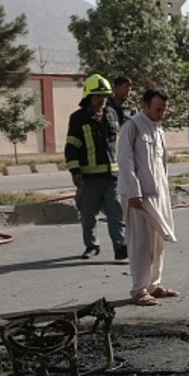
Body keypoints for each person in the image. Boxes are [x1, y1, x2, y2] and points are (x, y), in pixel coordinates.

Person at [117, 88, 178, 306]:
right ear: (145, 106)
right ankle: (139, 289)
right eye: (157, 109)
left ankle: (154, 285)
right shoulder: (132, 126)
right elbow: (124, 160)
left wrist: (164, 193)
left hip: (157, 194)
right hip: (138, 196)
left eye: (164, 110)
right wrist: (133, 191)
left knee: (158, 242)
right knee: (140, 243)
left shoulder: (158, 129)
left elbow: (162, 165)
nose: (161, 114)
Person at [65, 74, 127, 260]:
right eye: (98, 95)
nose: (102, 99)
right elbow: (71, 146)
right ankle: (91, 246)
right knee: (88, 216)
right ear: (88, 96)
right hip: (88, 178)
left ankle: (120, 247)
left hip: (112, 177)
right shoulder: (78, 118)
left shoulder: (112, 114)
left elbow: (119, 143)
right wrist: (75, 171)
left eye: (105, 95)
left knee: (116, 214)